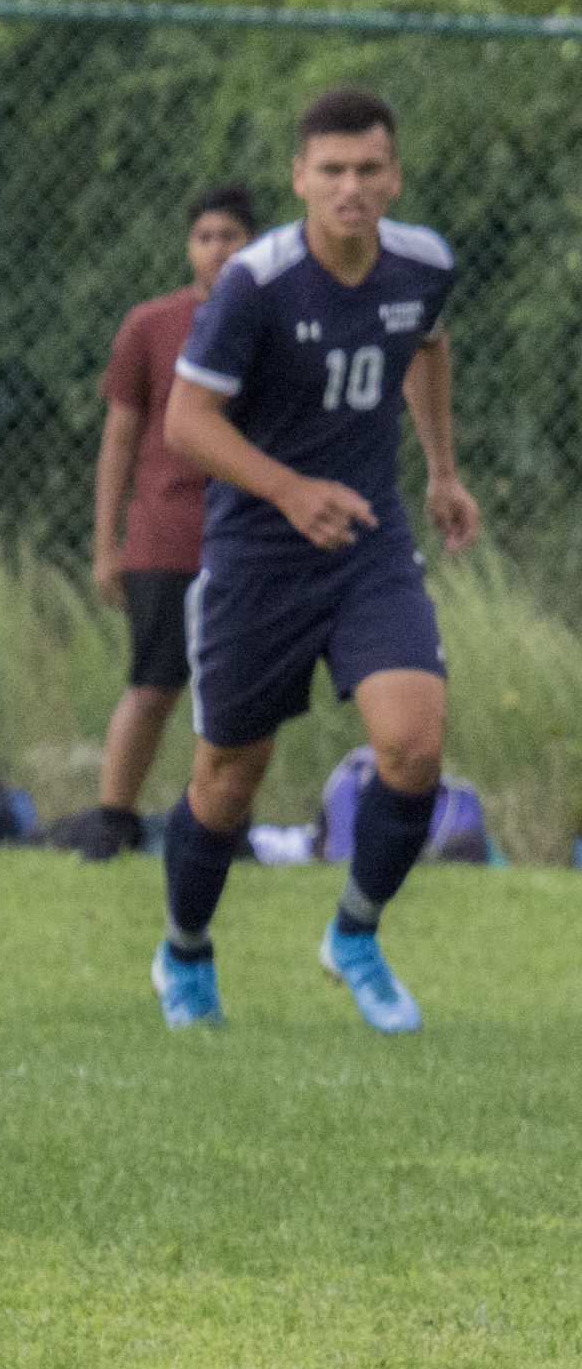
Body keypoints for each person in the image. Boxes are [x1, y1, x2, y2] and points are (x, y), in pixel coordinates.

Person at [153, 85, 480, 1032]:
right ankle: (184, 952)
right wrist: (290, 491)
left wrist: (442, 472)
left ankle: (356, 934)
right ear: (299, 177)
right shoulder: (257, 282)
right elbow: (186, 423)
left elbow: (429, 345)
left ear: (394, 176)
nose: (350, 187)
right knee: (227, 782)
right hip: (258, 557)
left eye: (368, 170)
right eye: (330, 170)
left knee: (414, 744)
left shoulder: (423, 265)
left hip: (368, 545)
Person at [84, 185, 257, 861]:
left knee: (239, 691)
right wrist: (107, 546)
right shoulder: (151, 326)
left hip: (244, 539)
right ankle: (114, 818)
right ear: (190, 247)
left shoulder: (271, 322)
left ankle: (224, 824)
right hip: (164, 536)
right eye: (206, 236)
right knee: (153, 683)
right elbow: (119, 439)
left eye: (231, 236)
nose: (217, 249)